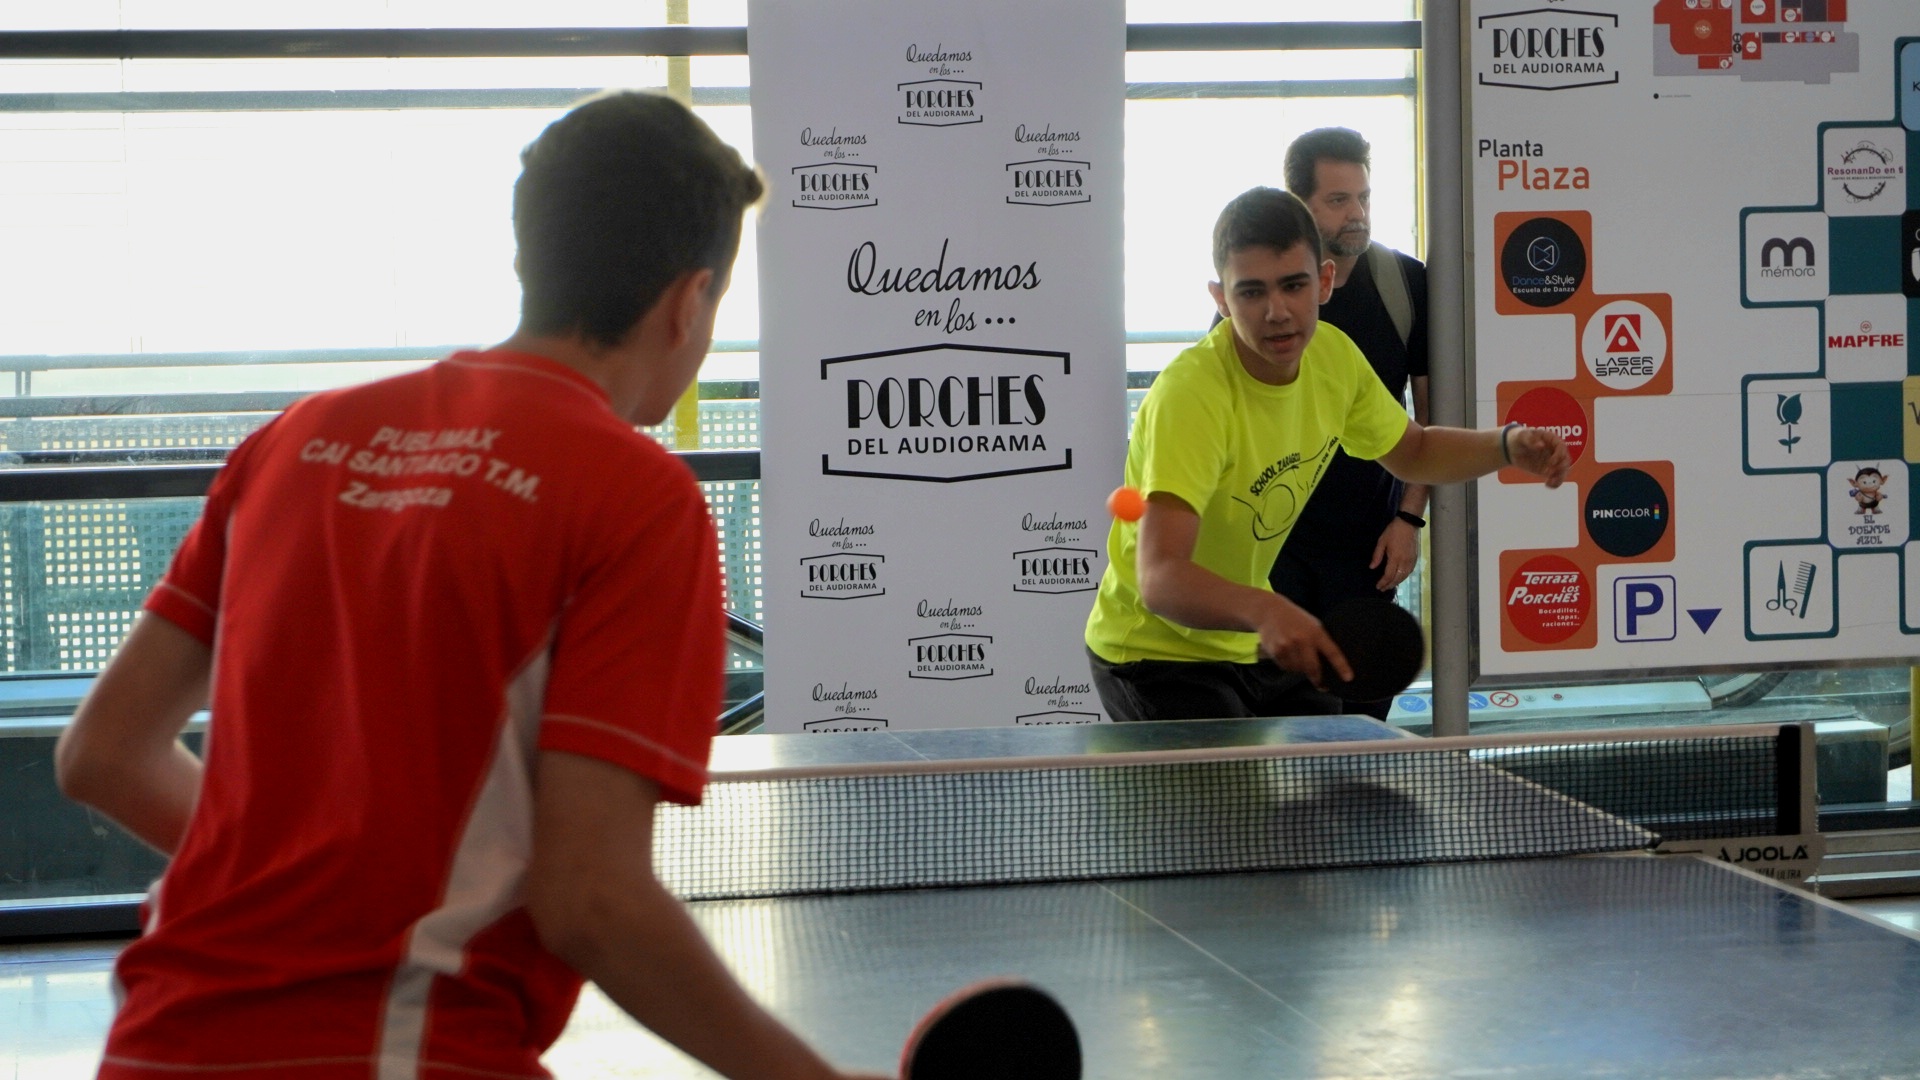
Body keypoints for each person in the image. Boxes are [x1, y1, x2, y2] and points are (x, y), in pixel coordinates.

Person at [55, 91, 887, 1080]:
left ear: (531, 261)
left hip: (156, 1046)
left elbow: (102, 754)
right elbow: (593, 901)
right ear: (687, 301)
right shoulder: (632, 495)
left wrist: (309, 886)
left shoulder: (292, 440)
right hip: (400, 1049)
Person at [1084, 187, 1569, 723]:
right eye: (1251, 293)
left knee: (1326, 770)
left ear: (1325, 281)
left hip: (1246, 644)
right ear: (1221, 299)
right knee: (1224, 802)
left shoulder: (1334, 359)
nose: (1276, 312)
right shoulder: (1192, 396)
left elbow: (1415, 451)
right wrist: (1267, 608)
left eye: (1293, 285)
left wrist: (1504, 445)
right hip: (1155, 654)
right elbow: (1161, 578)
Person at [1270, 126, 1430, 719]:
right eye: (1339, 201)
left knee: (1363, 719)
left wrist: (1409, 518)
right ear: (1299, 208)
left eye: (1363, 197)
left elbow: (1429, 419)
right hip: (1275, 546)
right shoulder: (1265, 293)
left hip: (1368, 547)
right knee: (1288, 724)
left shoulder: (1405, 284)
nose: (1357, 214)